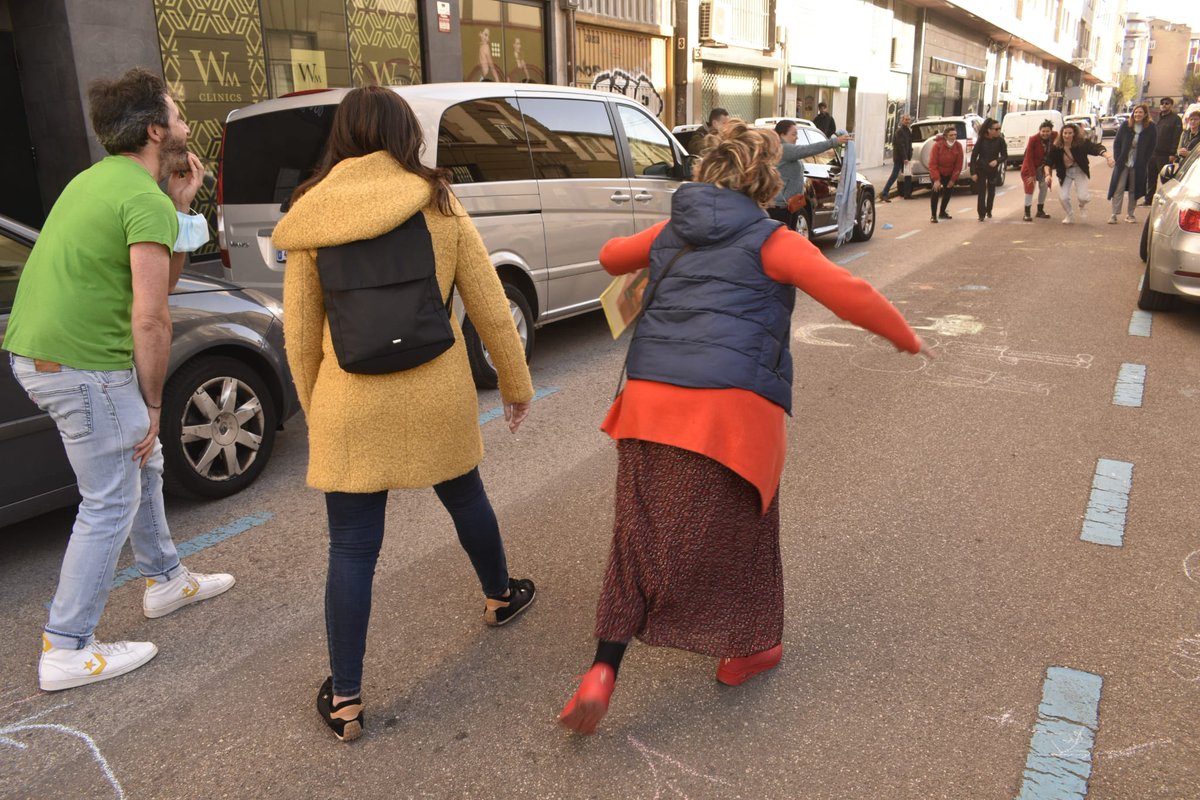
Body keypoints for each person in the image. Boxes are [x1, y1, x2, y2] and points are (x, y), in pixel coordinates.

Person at [556, 119, 929, 736]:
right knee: (747, 537)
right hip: (731, 417)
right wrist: (906, 338)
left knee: (636, 541)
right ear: (767, 180)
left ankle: (602, 670)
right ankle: (744, 652)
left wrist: (661, 244)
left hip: (647, 411)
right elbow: (849, 293)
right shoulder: (771, 240)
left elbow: (608, 258)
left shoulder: (673, 230)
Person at [271, 86, 537, 742]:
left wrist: (318, 409)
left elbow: (301, 337)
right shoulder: (438, 200)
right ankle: (500, 596)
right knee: (466, 497)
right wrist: (515, 383)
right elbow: (488, 302)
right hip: (436, 395)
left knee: (354, 545)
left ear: (344, 136)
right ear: (404, 135)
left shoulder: (312, 213)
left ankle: (347, 700)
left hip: (349, 405)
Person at [2, 67, 235, 692]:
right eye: (179, 113)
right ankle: (67, 645)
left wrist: (183, 206)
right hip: (83, 367)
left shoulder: (100, 181)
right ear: (157, 131)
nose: (187, 123)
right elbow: (153, 316)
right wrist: (154, 403)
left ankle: (164, 580)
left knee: (142, 465)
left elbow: (160, 276)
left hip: (47, 357)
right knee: (109, 499)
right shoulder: (138, 196)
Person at [768, 119, 850, 228]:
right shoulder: (783, 149)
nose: (797, 137)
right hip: (780, 208)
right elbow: (809, 149)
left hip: (789, 205)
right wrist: (834, 142)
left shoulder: (783, 149)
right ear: (782, 134)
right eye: (793, 134)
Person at [1042, 122, 1113, 225]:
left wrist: (1108, 157)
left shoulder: (1081, 143)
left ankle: (1082, 205)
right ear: (1061, 134)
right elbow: (1047, 162)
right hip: (1065, 172)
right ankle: (1069, 214)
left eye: (1070, 133)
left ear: (1074, 134)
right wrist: (1047, 175)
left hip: (1079, 171)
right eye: (1065, 133)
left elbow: (1096, 148)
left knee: (1083, 197)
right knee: (1063, 197)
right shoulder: (1056, 147)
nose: (1067, 135)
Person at [1107, 103, 1156, 224]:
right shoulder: (1126, 125)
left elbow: (1152, 145)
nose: (1138, 114)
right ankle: (1114, 214)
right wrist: (1118, 158)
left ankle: (1130, 214)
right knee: (1119, 187)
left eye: (1140, 112)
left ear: (1145, 114)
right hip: (1123, 162)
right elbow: (1117, 142)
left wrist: (1145, 159)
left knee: (1135, 189)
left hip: (1138, 163)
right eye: (1136, 112)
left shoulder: (1151, 127)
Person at [969, 118, 1007, 221]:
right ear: (989, 130)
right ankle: (981, 214)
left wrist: (997, 161)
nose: (998, 131)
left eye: (999, 128)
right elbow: (973, 157)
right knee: (981, 191)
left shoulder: (1000, 140)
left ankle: (989, 210)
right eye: (996, 129)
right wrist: (973, 172)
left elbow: (1004, 155)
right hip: (981, 169)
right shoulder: (981, 140)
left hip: (993, 170)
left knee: (992, 191)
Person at [1146, 97, 1181, 201]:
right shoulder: (1156, 118)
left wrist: (1173, 153)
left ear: (1171, 105)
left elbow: (1176, 137)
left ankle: (1167, 200)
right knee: (1151, 177)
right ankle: (1148, 200)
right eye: (1162, 103)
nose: (1164, 105)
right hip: (1153, 153)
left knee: (1165, 179)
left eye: (1167, 103)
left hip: (1165, 154)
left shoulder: (1175, 119)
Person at [1021, 120, 1057, 221]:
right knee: (1029, 188)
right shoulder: (1033, 139)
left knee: (1044, 186)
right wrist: (1032, 174)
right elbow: (1028, 157)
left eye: (1047, 131)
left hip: (1045, 167)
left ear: (1051, 131)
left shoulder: (1055, 136)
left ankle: (1040, 210)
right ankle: (1026, 213)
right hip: (1030, 167)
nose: (1045, 133)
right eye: (1043, 131)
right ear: (1039, 131)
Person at [928, 125, 963, 223]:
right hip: (938, 172)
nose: (953, 137)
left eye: (955, 135)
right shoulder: (937, 146)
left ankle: (942, 212)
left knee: (948, 192)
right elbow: (932, 163)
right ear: (946, 136)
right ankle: (933, 215)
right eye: (951, 135)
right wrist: (936, 179)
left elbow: (959, 164)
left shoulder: (958, 146)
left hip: (950, 173)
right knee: (935, 192)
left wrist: (953, 179)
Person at [879, 113, 913, 202]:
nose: (907, 121)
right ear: (902, 120)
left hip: (906, 157)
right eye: (906, 120)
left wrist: (910, 154)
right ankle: (884, 193)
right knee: (894, 175)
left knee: (908, 175)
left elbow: (908, 144)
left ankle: (907, 194)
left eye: (908, 120)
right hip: (900, 158)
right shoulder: (899, 131)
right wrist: (905, 158)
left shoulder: (908, 130)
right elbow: (901, 146)